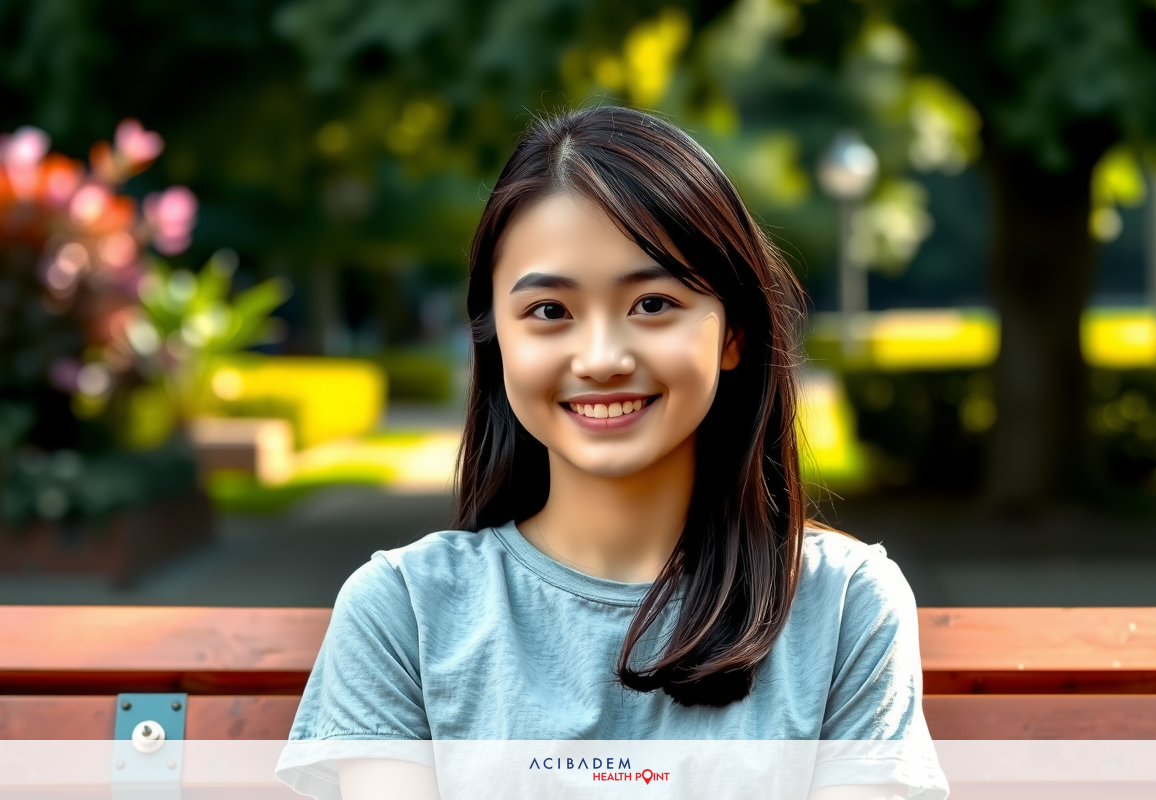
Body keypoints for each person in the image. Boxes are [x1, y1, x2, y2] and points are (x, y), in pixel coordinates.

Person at [276, 106, 946, 800]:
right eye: (549, 312)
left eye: (653, 304)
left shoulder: (844, 606)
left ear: (733, 333)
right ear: (495, 339)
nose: (600, 359)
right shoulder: (402, 613)